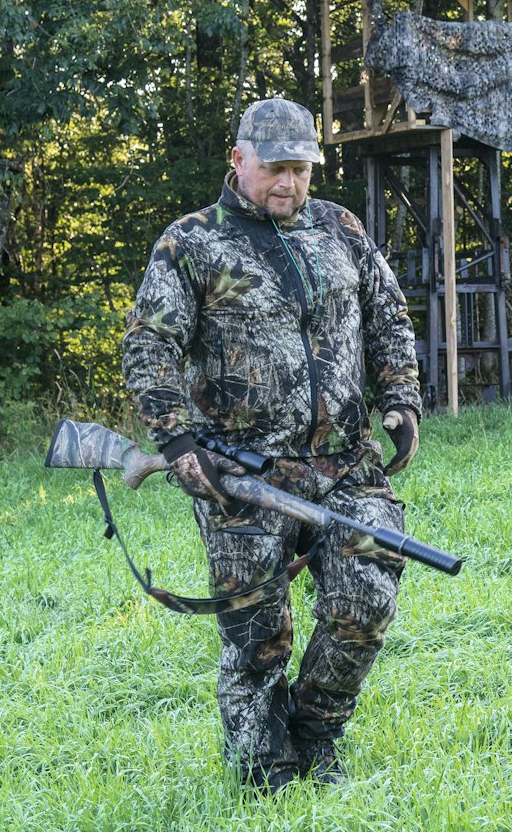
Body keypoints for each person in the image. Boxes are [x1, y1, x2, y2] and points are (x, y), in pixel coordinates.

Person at [122, 97, 422, 793]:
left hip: (346, 464)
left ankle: (316, 735)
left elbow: (387, 310)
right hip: (237, 474)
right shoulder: (190, 242)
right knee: (257, 642)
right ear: (238, 160)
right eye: (276, 168)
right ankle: (266, 775)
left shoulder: (339, 227)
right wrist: (176, 441)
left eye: (301, 168)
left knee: (368, 599)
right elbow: (150, 343)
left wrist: (400, 396)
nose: (289, 182)